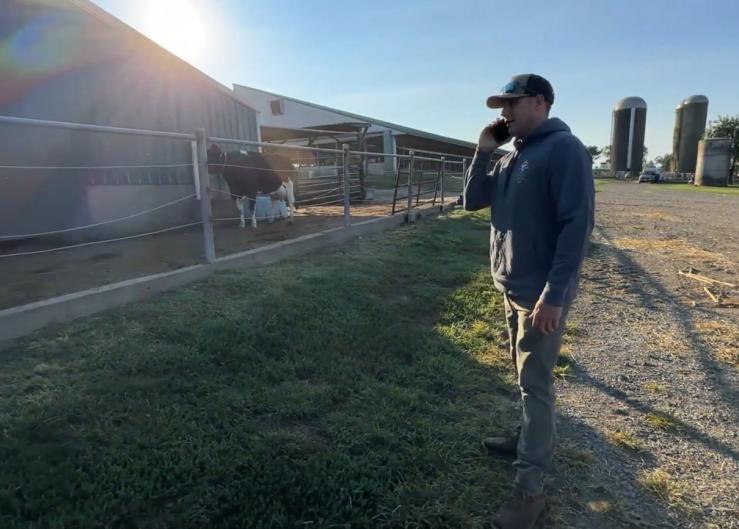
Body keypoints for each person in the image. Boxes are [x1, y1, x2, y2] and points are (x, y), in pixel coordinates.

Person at [464, 74, 594, 529]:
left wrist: (554, 295)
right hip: (511, 286)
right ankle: (526, 441)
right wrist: (483, 152)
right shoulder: (511, 155)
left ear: (539, 103)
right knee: (523, 378)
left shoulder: (564, 150)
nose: (503, 113)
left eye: (511, 104)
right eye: (501, 106)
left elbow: (576, 227)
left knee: (536, 385)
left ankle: (530, 489)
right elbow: (471, 202)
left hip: (539, 296)